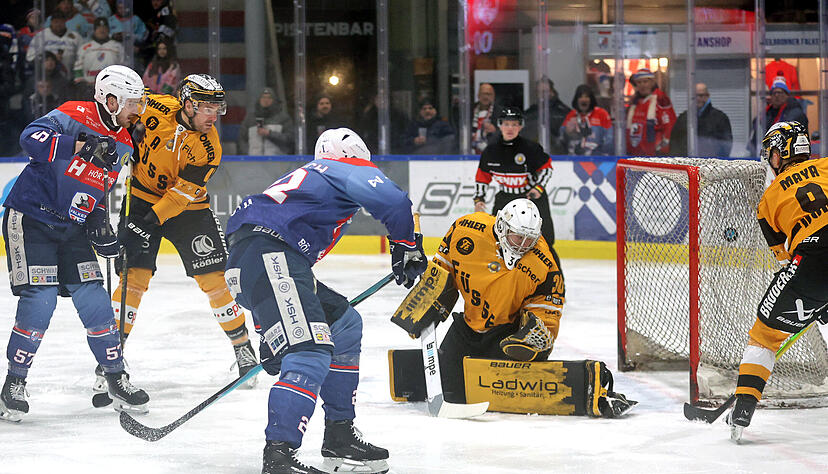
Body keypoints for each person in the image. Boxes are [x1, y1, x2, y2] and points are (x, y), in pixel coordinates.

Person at [224, 127, 426, 473]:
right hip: (272, 257)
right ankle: (279, 455)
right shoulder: (341, 168)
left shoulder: (308, 178)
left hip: (259, 262)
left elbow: (263, 276)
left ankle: (339, 435)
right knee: (309, 350)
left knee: (345, 324)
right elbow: (394, 201)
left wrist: (268, 332)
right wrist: (407, 246)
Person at [0, 65, 150, 421]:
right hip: (31, 217)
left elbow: (100, 188)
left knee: (95, 298)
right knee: (42, 299)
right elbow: (29, 139)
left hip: (72, 227)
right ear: (110, 99)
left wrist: (101, 226)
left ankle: (115, 376)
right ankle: (13, 384)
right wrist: (79, 143)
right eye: (132, 103)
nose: (137, 111)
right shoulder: (71, 114)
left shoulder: (125, 143)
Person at [104, 74, 259, 393]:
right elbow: (122, 106)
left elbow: (180, 196)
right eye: (207, 109)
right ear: (187, 104)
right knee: (133, 278)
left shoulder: (209, 146)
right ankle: (110, 357)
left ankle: (243, 348)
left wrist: (145, 223)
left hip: (189, 210)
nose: (213, 117)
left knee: (216, 279)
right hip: (142, 196)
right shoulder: (155, 105)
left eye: (217, 109)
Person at [726, 121, 828, 441]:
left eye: (770, 152)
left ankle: (744, 406)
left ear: (779, 153)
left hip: (811, 261)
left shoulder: (768, 199)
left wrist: (811, 297)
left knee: (764, 336)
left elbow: (784, 260)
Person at [433, 198, 565, 403]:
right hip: (467, 327)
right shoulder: (466, 229)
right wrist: (429, 299)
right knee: (447, 388)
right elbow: (442, 268)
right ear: (503, 227)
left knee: (502, 396)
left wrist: (536, 331)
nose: (522, 245)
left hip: (507, 334)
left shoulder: (543, 261)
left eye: (528, 239)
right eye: (517, 237)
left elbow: (547, 304)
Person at [473, 107, 558, 251]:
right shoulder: (491, 151)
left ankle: (553, 273)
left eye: (514, 124)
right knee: (497, 237)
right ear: (500, 125)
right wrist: (479, 199)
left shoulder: (531, 148)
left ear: (520, 126)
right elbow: (482, 177)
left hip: (531, 199)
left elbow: (546, 168)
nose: (510, 128)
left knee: (545, 240)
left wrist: (538, 188)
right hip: (505, 198)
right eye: (506, 124)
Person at [748, 76, 808, 156]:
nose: (776, 95)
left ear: (787, 95)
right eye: (774, 93)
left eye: (780, 93)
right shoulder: (767, 113)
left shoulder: (795, 113)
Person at [671, 83, 733, 158]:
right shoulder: (683, 118)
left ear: (707, 96)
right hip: (687, 164)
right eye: (695, 96)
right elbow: (674, 143)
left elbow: (726, 144)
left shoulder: (720, 118)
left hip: (711, 165)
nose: (698, 99)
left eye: (701, 95)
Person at [625, 68, 676, 156]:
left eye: (645, 82)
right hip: (635, 154)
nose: (642, 85)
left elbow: (669, 125)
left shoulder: (660, 99)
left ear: (652, 82)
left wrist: (663, 148)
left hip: (655, 155)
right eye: (639, 82)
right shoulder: (635, 103)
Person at [73, 18, 125, 98]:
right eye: (98, 28)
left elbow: (123, 67)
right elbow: (78, 67)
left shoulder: (117, 46)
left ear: (108, 30)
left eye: (104, 28)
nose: (102, 30)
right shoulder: (85, 47)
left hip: (111, 89)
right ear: (94, 30)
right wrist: (81, 85)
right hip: (89, 88)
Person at [238, 87, 294, 155]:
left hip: (277, 162)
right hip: (253, 162)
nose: (266, 100)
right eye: (263, 97)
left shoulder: (283, 118)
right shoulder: (250, 118)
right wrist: (248, 154)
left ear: (274, 100)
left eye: (269, 98)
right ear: (259, 100)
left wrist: (269, 134)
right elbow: (241, 140)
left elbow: (290, 139)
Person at [560, 84, 613, 156]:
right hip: (574, 159)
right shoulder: (571, 115)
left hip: (597, 159)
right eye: (580, 97)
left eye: (587, 97)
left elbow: (610, 139)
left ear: (591, 99)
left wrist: (601, 156)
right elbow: (561, 140)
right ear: (576, 100)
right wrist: (567, 132)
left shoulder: (601, 114)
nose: (583, 99)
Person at [523, 77, 571, 155]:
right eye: (540, 92)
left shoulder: (563, 112)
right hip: (533, 156)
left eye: (545, 92)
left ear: (552, 92)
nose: (542, 95)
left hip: (558, 157)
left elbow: (568, 138)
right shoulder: (530, 112)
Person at [26, 9, 82, 76]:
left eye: (61, 22)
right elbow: (30, 57)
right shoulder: (40, 36)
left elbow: (81, 57)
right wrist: (50, 58)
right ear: (51, 22)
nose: (58, 24)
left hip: (70, 76)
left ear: (65, 22)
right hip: (46, 78)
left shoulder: (76, 36)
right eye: (56, 22)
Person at [471, 83, 501, 154]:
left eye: (489, 94)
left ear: (493, 96)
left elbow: (507, 134)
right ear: (478, 95)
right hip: (470, 152)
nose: (485, 97)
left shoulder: (500, 112)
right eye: (483, 94)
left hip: (492, 152)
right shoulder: (469, 110)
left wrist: (495, 130)